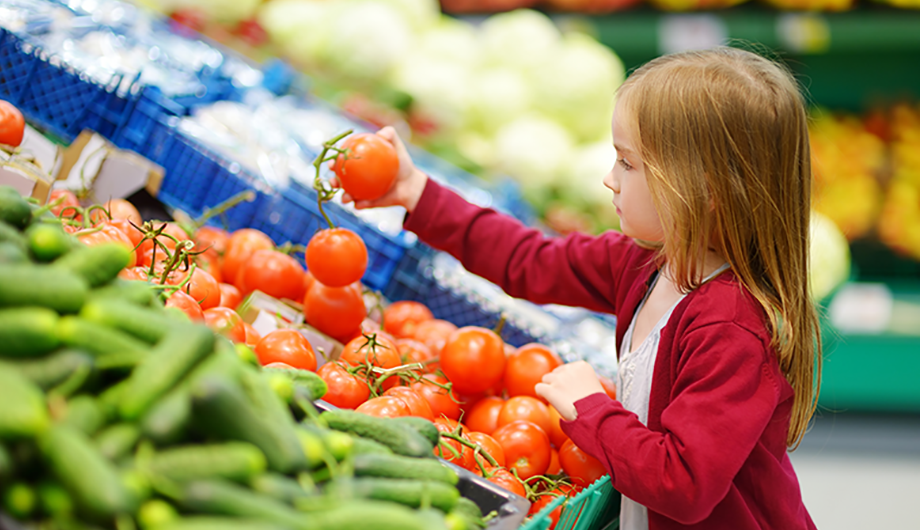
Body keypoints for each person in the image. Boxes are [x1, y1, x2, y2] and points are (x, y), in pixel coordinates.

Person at [336, 46, 820, 530]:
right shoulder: (646, 262)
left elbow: (683, 484)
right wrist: (418, 192)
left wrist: (592, 409)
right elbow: (528, 261)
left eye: (628, 164)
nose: (609, 180)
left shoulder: (731, 329)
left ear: (704, 189)